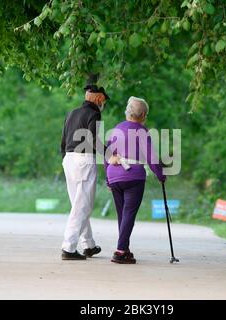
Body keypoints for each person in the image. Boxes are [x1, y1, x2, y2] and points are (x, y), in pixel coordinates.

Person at [104, 96, 166, 264]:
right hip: (133, 177)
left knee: (122, 214)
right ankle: (120, 251)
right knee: (128, 214)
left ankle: (124, 248)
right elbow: (152, 158)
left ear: (127, 112)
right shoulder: (142, 131)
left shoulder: (117, 128)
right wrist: (161, 176)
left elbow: (107, 155)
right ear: (143, 114)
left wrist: (107, 179)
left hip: (114, 175)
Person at [60, 74, 113, 260]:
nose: (103, 103)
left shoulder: (71, 113)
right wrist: (109, 155)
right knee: (83, 206)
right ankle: (68, 247)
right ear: (98, 98)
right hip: (84, 160)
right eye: (103, 100)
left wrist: (67, 159)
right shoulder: (94, 114)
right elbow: (93, 140)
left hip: (68, 158)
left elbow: (63, 141)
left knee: (78, 204)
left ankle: (88, 245)